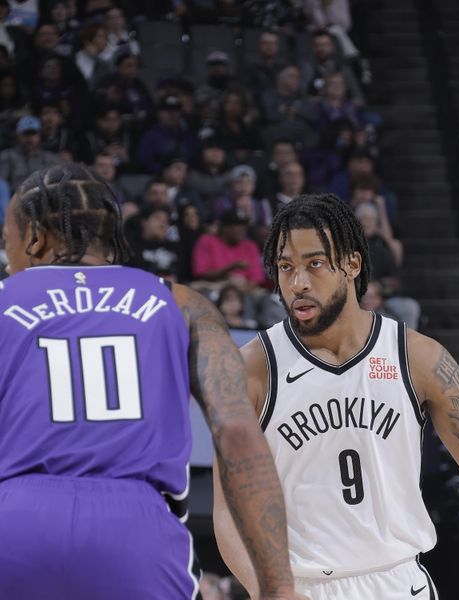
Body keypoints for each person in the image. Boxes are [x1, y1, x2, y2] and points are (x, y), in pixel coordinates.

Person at [213, 194, 459, 599]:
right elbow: (228, 511)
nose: (298, 282)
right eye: (285, 267)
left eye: (315, 263)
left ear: (353, 265)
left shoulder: (419, 358)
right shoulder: (248, 370)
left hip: (398, 583)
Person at [0, 163, 300, 599]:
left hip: (16, 523)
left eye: (8, 244)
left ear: (35, 238)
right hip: (138, 531)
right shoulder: (180, 302)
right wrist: (279, 587)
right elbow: (237, 429)